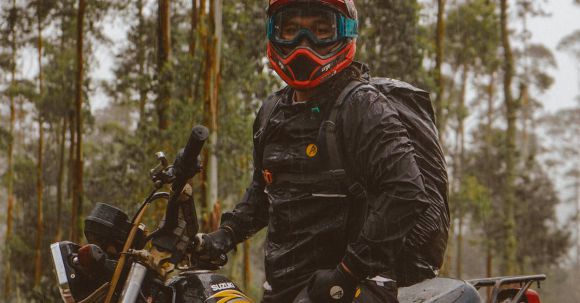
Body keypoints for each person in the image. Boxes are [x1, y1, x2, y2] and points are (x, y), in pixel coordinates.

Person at [196, 0, 449, 302]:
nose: (304, 44)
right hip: (285, 287)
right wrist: (224, 235)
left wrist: (348, 271)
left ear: (345, 34)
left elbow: (405, 192)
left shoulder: (362, 106)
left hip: (356, 285)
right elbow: (264, 193)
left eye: (320, 30)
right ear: (273, 34)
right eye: (290, 31)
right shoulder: (272, 112)